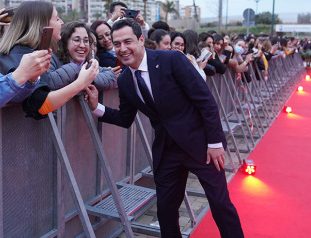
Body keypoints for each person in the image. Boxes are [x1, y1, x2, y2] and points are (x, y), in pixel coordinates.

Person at [84, 19, 244, 238]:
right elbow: (124, 118)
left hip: (202, 145)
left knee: (220, 204)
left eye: (128, 41)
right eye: (117, 43)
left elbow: (205, 101)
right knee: (166, 212)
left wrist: (215, 143)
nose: (122, 49)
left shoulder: (172, 59)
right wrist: (96, 107)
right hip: (167, 152)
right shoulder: (126, 82)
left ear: (141, 40)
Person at [0, 1, 99, 119]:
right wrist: (80, 83)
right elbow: (39, 106)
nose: (62, 22)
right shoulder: (27, 56)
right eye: (57, 18)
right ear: (43, 24)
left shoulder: (22, 52)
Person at [55, 21, 119, 89]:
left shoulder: (88, 64)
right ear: (64, 42)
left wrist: (89, 78)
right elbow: (50, 82)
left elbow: (112, 77)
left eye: (86, 41)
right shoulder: (52, 58)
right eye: (77, 40)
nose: (82, 45)